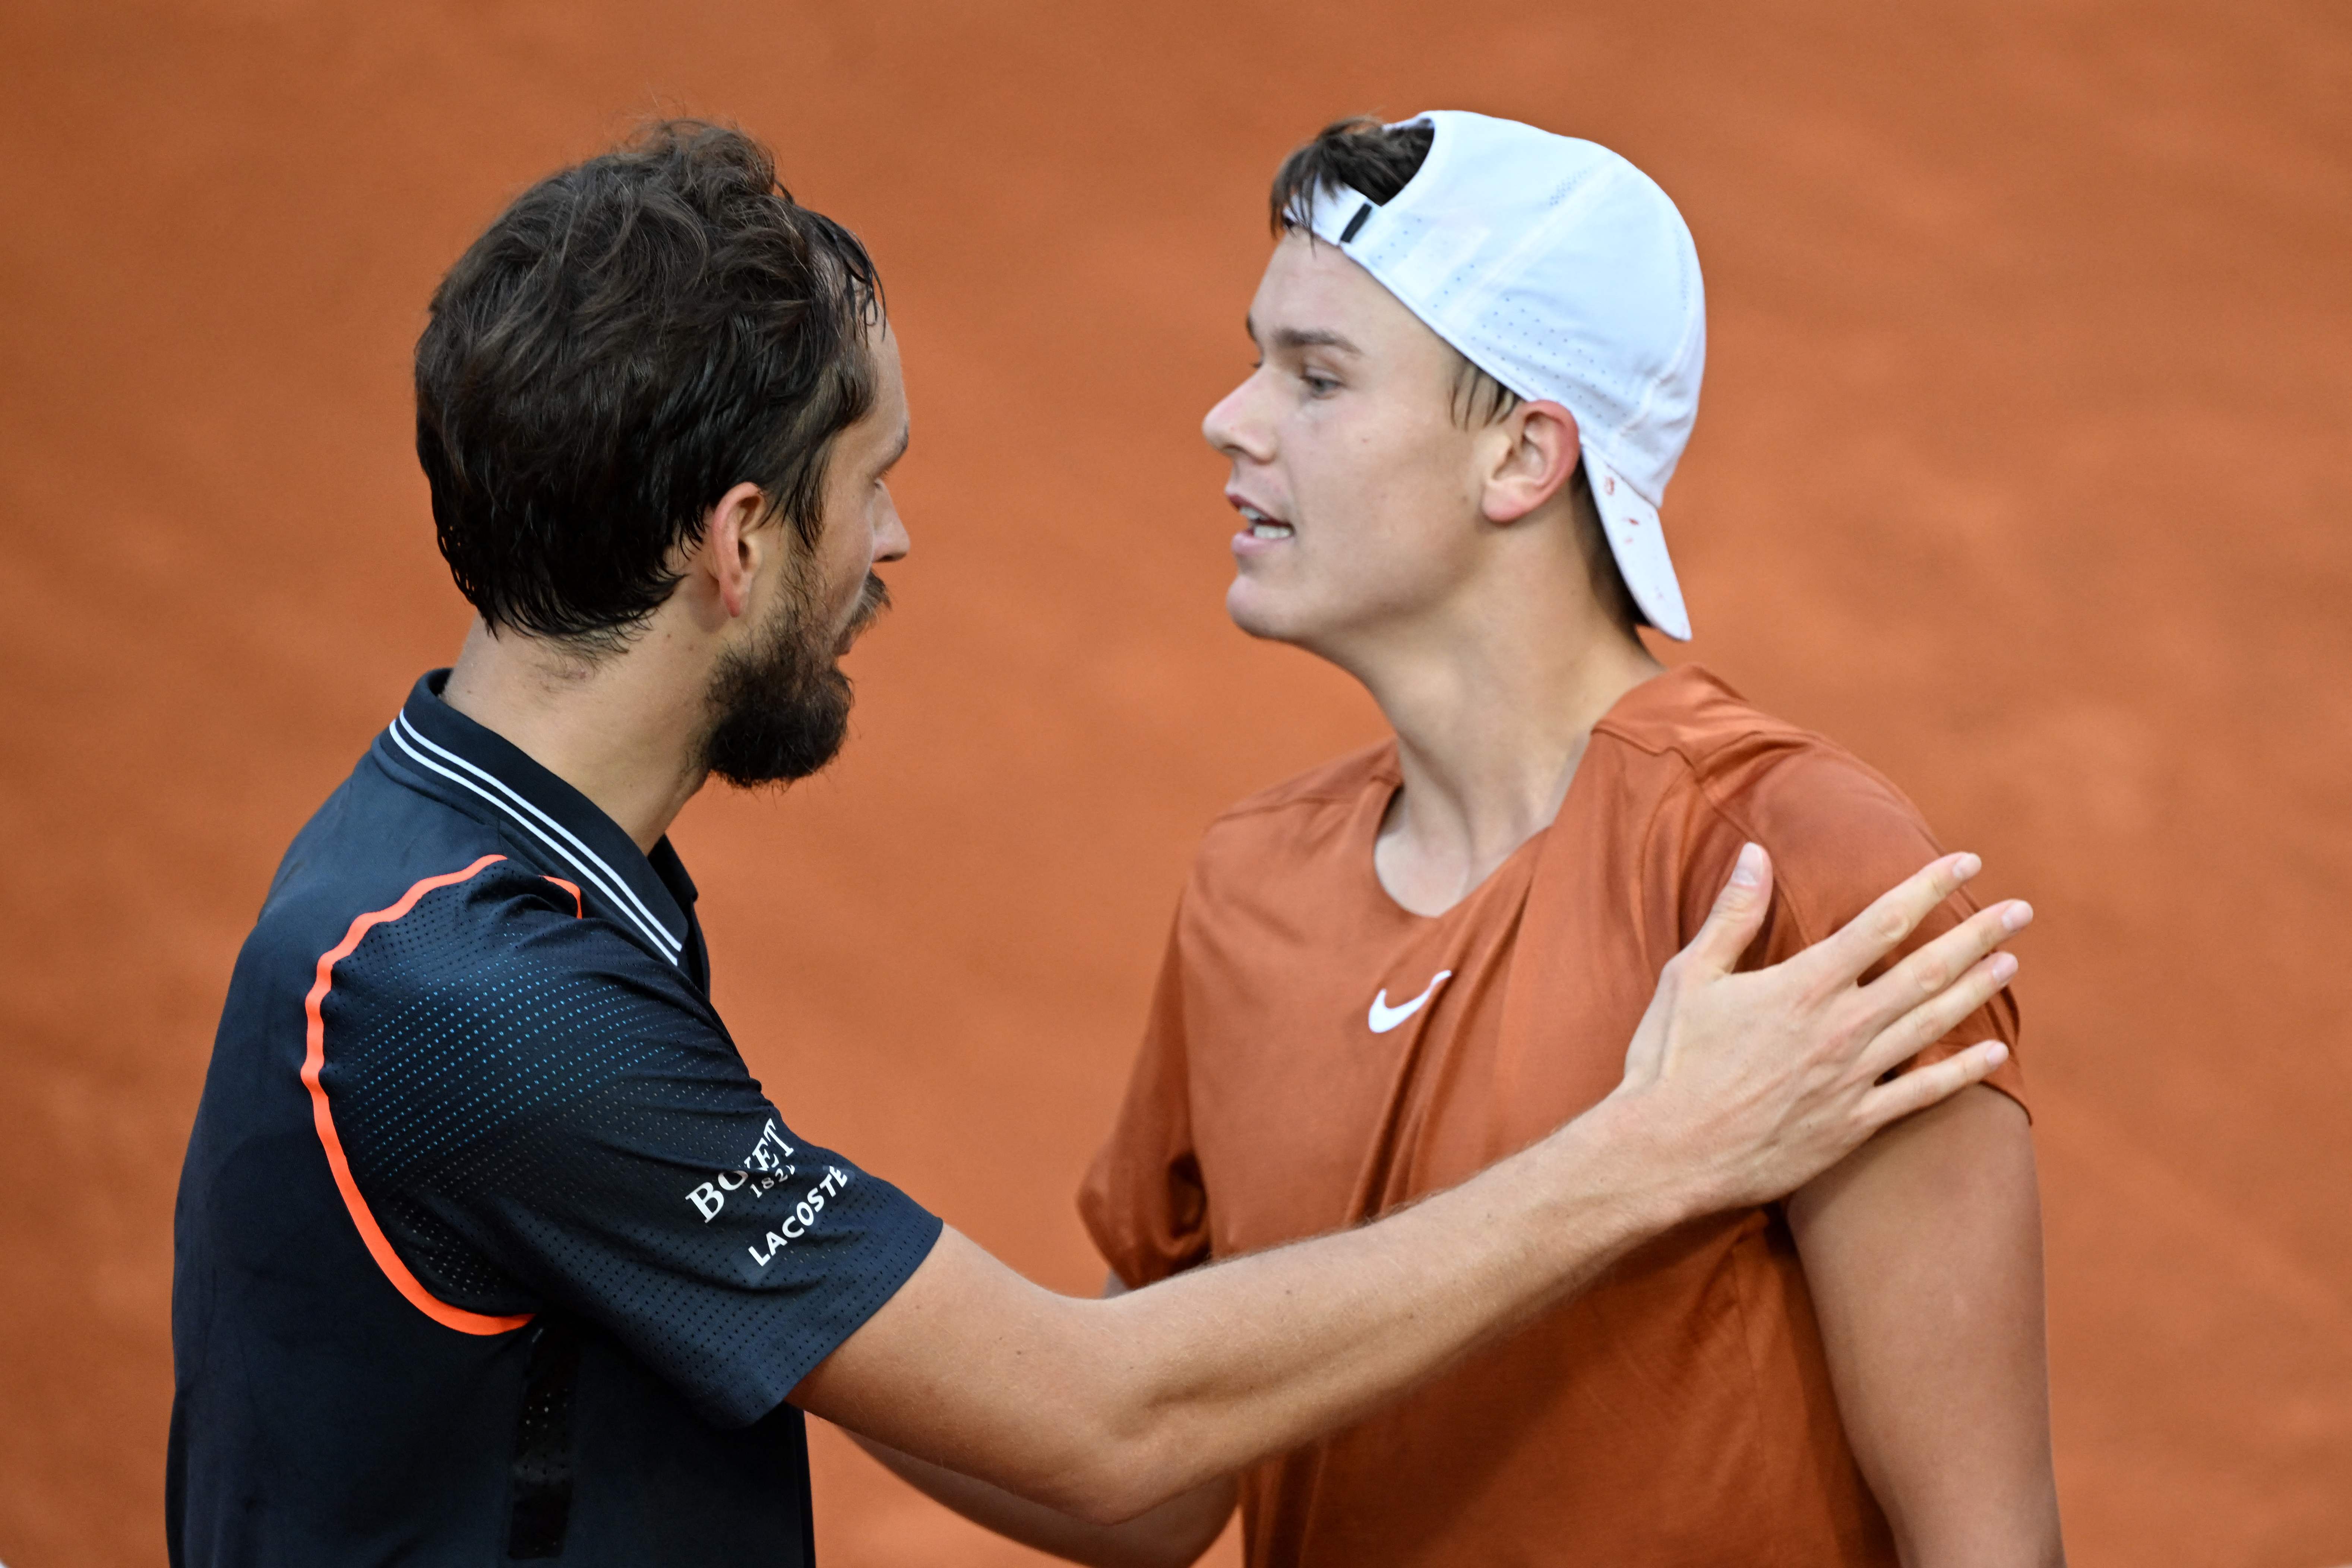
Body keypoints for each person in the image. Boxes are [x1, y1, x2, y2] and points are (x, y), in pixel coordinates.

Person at [166, 120, 2026, 1568]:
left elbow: (1984, 1533)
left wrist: (802, 1306)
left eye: (1313, 372)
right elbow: (1117, 1435)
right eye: (865, 486)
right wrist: (1659, 1148)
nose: (1226, 416)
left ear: (1524, 455)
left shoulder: (1789, 872)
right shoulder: (488, 982)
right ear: (738, 546)